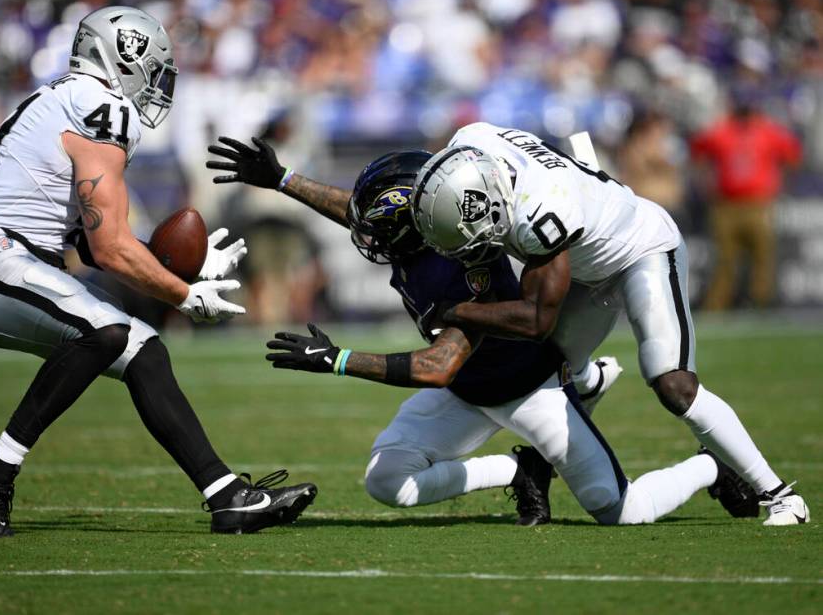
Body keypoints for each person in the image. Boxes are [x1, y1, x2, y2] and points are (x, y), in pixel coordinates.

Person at [206, 138, 759, 526]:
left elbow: (435, 365)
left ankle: (708, 466)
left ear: (413, 224)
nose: (366, 233)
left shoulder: (459, 263)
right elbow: (357, 211)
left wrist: (338, 359)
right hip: (467, 393)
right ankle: (517, 468)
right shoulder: (424, 228)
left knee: (622, 510)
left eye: (379, 227)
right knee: (386, 481)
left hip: (524, 392)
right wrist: (281, 180)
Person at [0, 6, 316, 537]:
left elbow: (95, 234)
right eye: (152, 67)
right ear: (123, 56)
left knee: (142, 348)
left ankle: (227, 496)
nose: (156, 82)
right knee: (104, 332)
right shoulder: (100, 105)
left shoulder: (68, 99)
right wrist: (184, 293)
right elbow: (107, 247)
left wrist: (179, 264)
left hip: (7, 262)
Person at [407, 122, 808, 526]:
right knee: (546, 369)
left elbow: (535, 319)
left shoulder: (540, 212)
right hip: (587, 262)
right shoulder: (469, 143)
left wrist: (454, 311)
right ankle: (574, 406)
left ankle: (780, 495)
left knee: (673, 384)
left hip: (641, 251)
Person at [690, 96, 802, 310]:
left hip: (758, 203)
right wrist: (706, 184)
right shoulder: (722, 130)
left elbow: (793, 155)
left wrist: (778, 186)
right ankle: (718, 305)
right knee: (725, 259)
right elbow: (698, 151)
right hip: (726, 204)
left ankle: (760, 302)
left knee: (762, 256)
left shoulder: (768, 130)